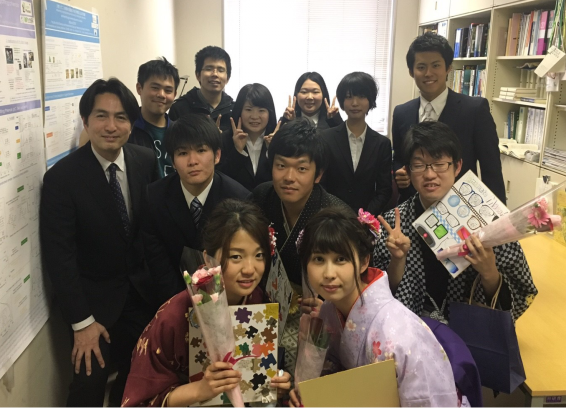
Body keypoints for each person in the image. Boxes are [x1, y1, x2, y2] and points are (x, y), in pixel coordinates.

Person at [39, 78, 158, 407]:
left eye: (121, 117)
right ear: (85, 121)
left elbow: (152, 231)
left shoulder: (145, 161)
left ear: (131, 123)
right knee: (88, 385)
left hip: (141, 296)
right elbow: (60, 257)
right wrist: (82, 323)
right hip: (93, 306)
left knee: (142, 377)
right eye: (101, 116)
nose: (111, 126)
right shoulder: (62, 179)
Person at [122, 199, 292, 407]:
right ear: (208, 258)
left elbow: (258, 379)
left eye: (259, 255)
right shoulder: (175, 315)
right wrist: (199, 390)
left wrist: (275, 384)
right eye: (236, 257)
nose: (250, 269)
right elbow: (142, 398)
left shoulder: (259, 300)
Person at [289, 206, 460, 408]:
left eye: (341, 259)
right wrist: (307, 396)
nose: (328, 273)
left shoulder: (400, 334)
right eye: (318, 259)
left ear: (364, 262)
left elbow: (428, 401)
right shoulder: (329, 311)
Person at [373, 121, 537, 323]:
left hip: (468, 334)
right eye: (419, 165)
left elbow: (520, 296)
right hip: (412, 332)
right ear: (407, 170)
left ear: (457, 166)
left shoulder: (491, 221)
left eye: (439, 164)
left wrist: (489, 273)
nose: (430, 174)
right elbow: (380, 299)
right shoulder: (393, 224)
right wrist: (397, 261)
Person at [142, 114, 249, 306]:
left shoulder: (239, 198)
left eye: (201, 150)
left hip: (227, 299)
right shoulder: (154, 197)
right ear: (173, 161)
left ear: (217, 155)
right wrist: (181, 305)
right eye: (183, 153)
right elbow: (157, 262)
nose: (192, 161)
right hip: (171, 299)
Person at [392, 32, 506, 205]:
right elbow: (400, 158)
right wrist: (400, 173)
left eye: (436, 65)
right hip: (414, 207)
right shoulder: (401, 112)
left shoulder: (474, 110)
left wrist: (499, 216)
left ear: (448, 68)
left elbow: (491, 170)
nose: (428, 73)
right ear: (411, 71)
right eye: (421, 67)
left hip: (460, 207)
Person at [249, 117, 347, 287]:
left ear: (318, 174)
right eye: (281, 166)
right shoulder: (262, 196)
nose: (289, 177)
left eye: (301, 169)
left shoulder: (336, 215)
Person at [321, 72, 392, 216]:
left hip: (367, 221)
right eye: (349, 97)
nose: (355, 103)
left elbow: (384, 190)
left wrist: (365, 217)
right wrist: (335, 216)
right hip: (332, 219)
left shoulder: (382, 144)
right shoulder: (325, 138)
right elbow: (321, 184)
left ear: (371, 100)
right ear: (342, 101)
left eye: (361, 96)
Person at [218, 83, 279, 191]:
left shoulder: (279, 140)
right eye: (248, 109)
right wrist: (237, 152)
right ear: (239, 111)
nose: (254, 116)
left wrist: (273, 150)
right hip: (235, 201)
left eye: (261, 110)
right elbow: (220, 179)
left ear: (270, 113)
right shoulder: (225, 139)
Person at [128, 57, 180, 178]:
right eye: (155, 88)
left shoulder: (179, 132)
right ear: (139, 88)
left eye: (168, 90)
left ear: (174, 95)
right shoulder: (127, 129)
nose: (161, 95)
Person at [168, 46, 233, 131]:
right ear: (198, 75)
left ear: (227, 78)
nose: (215, 74)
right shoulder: (179, 109)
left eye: (220, 70)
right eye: (209, 69)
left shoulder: (234, 110)